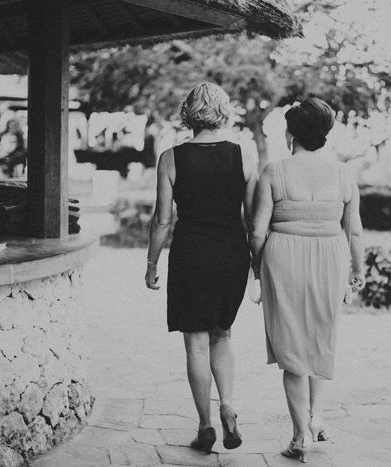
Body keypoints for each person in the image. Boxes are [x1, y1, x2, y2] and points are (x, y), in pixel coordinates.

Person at [249, 98, 365, 463]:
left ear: (291, 134)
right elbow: (354, 231)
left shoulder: (274, 171)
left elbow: (257, 231)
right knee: (319, 337)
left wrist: (257, 267)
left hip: (282, 257)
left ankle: (300, 436)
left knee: (292, 347)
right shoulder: (343, 175)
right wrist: (358, 271)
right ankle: (316, 416)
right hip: (330, 256)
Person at [145, 82, 257, 454]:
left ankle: (205, 425)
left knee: (195, 345)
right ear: (223, 112)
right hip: (231, 253)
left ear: (188, 114)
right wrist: (256, 265)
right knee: (222, 335)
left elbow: (162, 220)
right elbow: (253, 220)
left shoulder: (171, 158)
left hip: (190, 253)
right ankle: (228, 406)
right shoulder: (243, 156)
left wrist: (151, 263)